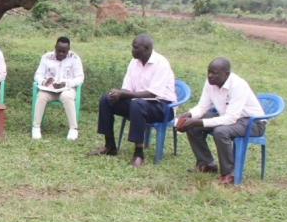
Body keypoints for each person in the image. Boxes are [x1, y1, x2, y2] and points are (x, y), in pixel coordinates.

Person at [88, 34, 177, 167]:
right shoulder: (134, 62)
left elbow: (153, 94)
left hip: (163, 106)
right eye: (132, 47)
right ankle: (110, 146)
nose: (132, 50)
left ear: (146, 49)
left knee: (137, 104)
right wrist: (118, 94)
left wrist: (124, 94)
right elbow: (127, 88)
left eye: (136, 48)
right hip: (139, 103)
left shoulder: (161, 64)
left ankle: (138, 154)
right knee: (106, 99)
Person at [176, 57, 265, 185]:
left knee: (221, 132)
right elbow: (202, 106)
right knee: (193, 125)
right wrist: (190, 114)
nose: (210, 76)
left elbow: (231, 118)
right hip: (229, 117)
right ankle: (207, 164)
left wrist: (198, 122)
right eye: (209, 72)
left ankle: (229, 174)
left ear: (226, 74)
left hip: (252, 122)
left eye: (214, 73)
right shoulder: (210, 83)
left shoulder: (238, 85)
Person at [32, 36, 85, 140]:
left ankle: (73, 129)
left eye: (64, 51)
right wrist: (44, 81)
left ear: (68, 49)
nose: (61, 53)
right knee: (41, 96)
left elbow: (80, 77)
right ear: (55, 47)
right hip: (49, 89)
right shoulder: (46, 57)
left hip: (67, 89)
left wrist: (66, 84)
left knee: (67, 97)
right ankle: (36, 127)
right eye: (59, 50)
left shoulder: (74, 58)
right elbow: (37, 75)